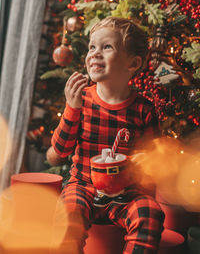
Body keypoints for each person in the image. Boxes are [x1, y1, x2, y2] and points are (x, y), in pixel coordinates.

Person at [49, 16, 165, 254]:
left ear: (132, 63)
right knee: (67, 216)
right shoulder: (82, 100)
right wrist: (72, 108)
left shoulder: (144, 109)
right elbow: (60, 151)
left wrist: (149, 161)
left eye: (107, 47)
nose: (94, 53)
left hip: (127, 192)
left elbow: (156, 160)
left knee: (150, 212)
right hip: (83, 186)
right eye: (92, 47)